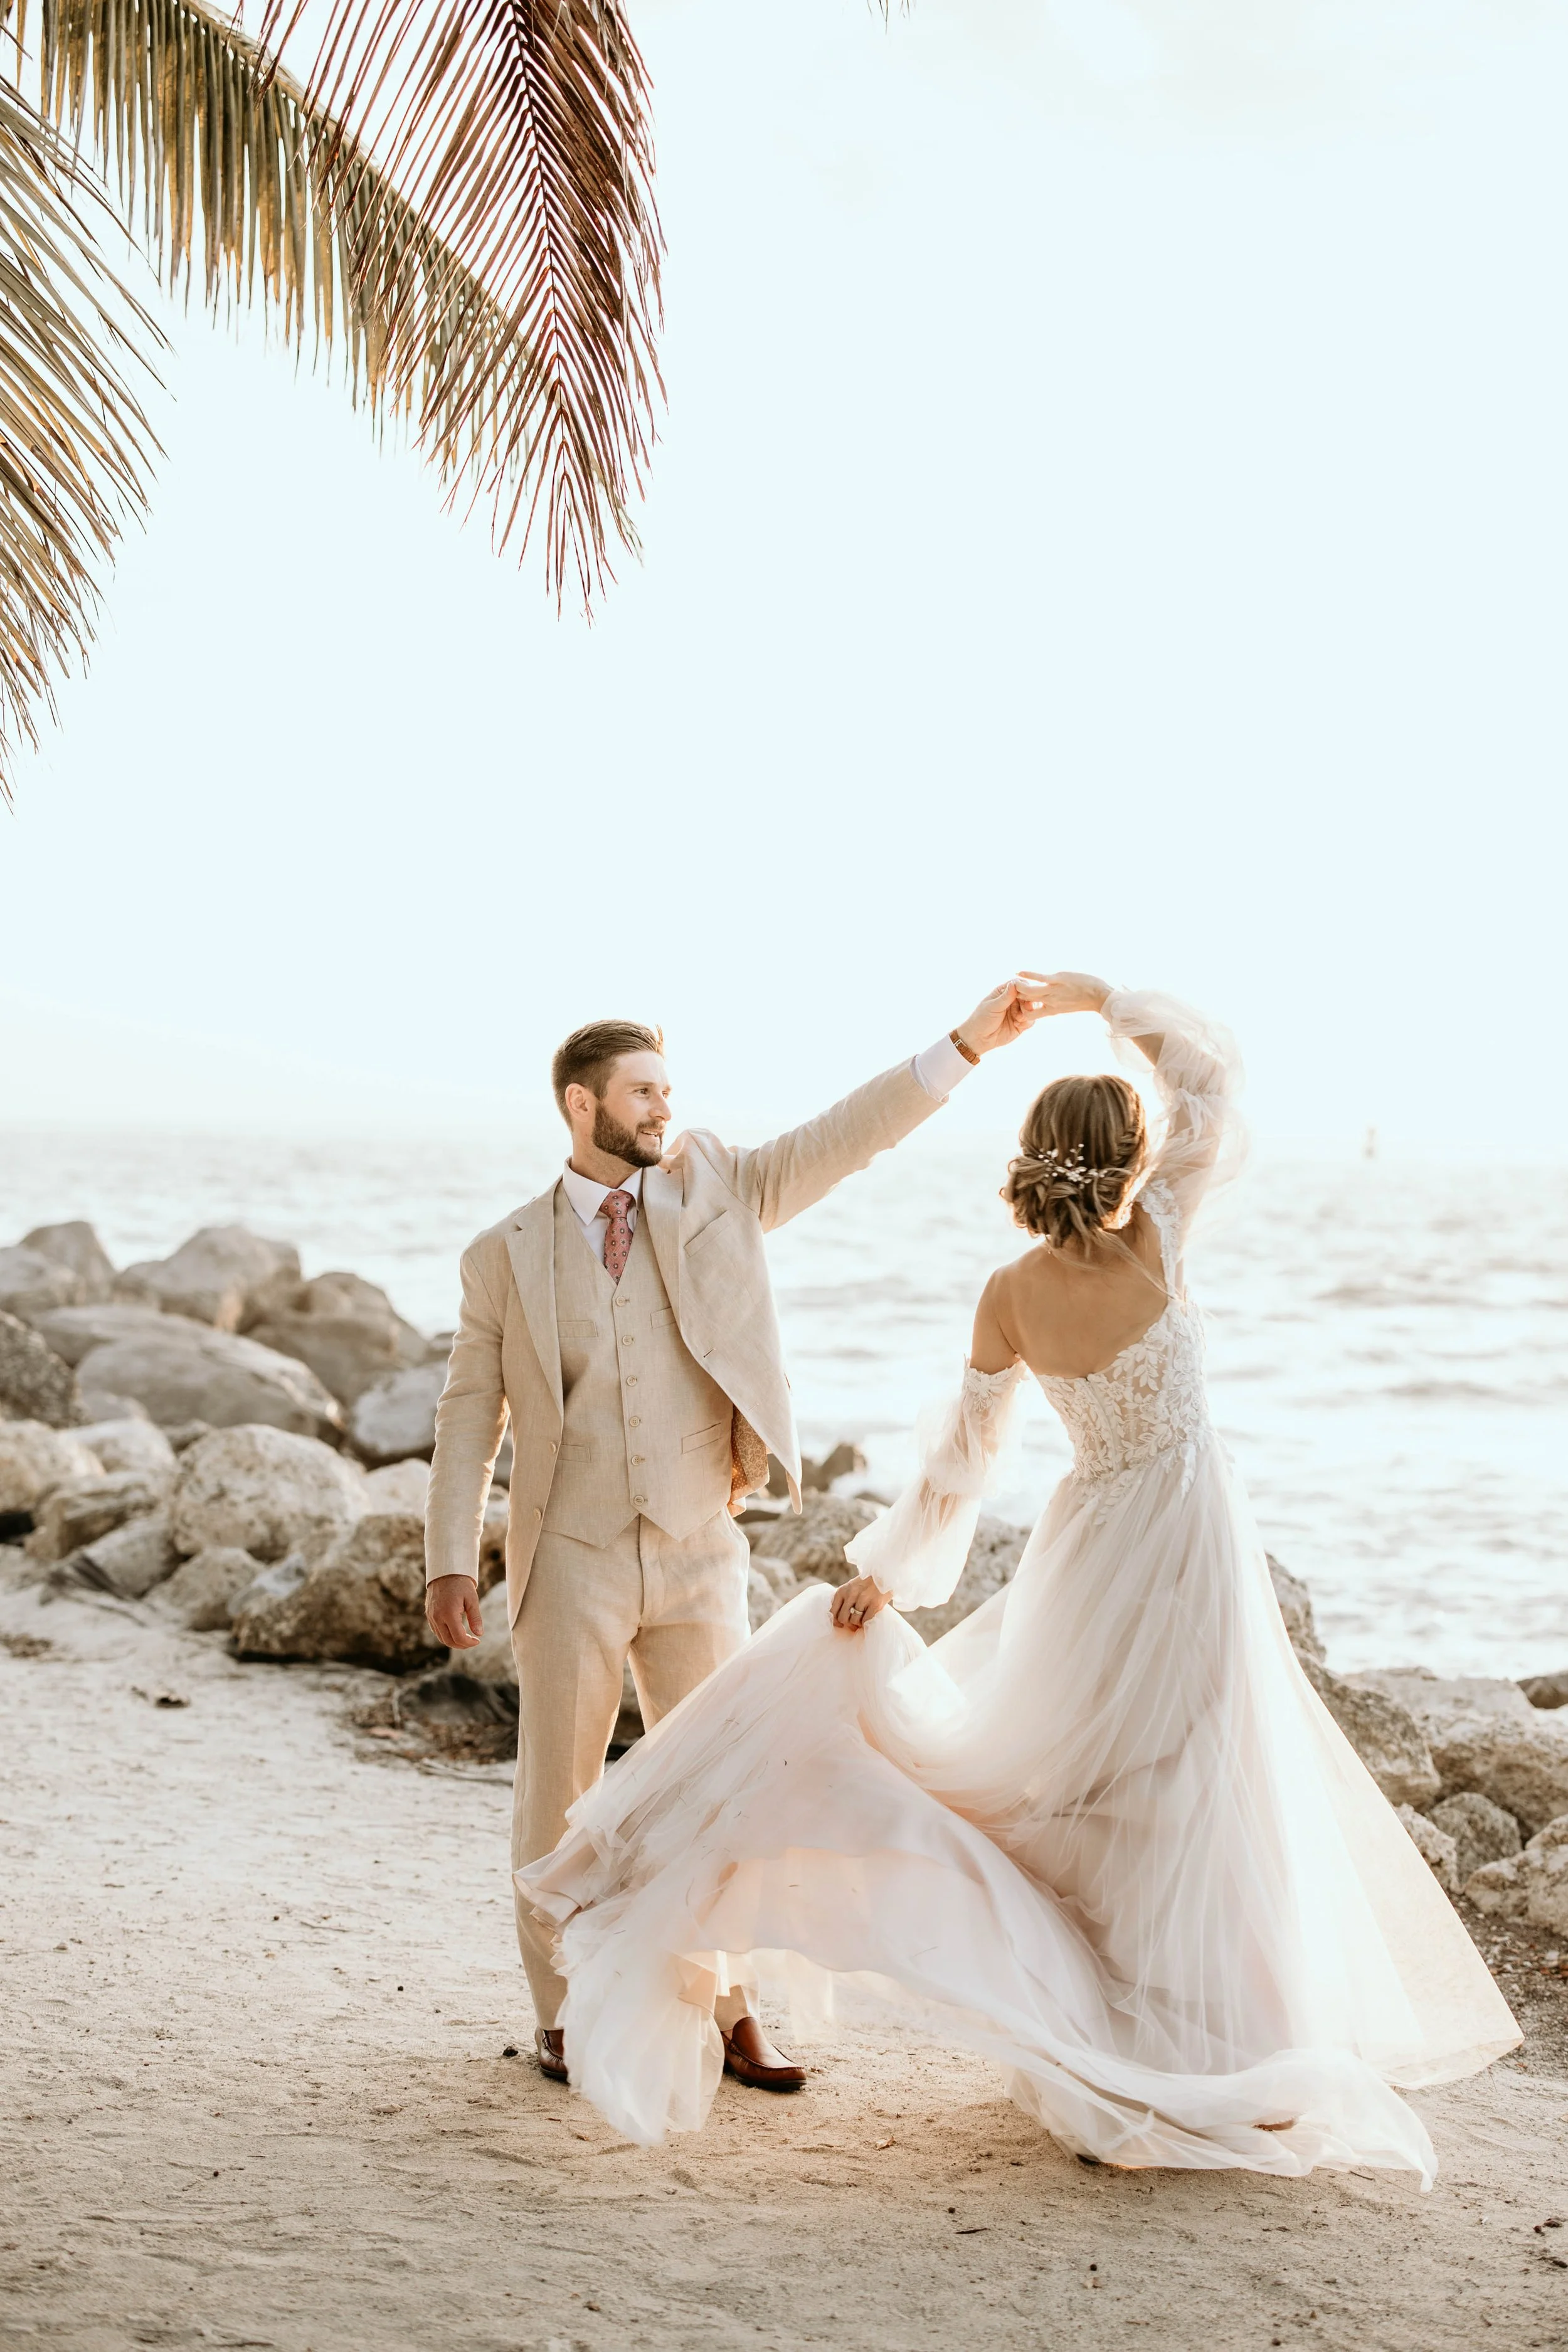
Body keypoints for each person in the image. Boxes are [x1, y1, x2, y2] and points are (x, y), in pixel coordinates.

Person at [521, 974, 1519, 2179]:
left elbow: (961, 1465)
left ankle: (1151, 2040)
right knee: (1206, 1781)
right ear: (1130, 1157)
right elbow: (1210, 1078)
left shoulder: (1009, 1295)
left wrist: (884, 1577)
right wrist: (1104, 997)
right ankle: (1218, 2052)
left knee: (1107, 1795)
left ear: (1038, 1159)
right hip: (1188, 1537)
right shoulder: (1163, 1234)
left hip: (1094, 1550)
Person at [424, 978, 1049, 2087]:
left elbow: (846, 1137)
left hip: (700, 1545)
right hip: (565, 1553)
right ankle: (562, 2014)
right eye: (641, 1091)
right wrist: (446, 1558)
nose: (663, 1107)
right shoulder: (502, 1255)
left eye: (669, 1088)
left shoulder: (718, 1184)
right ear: (582, 1105)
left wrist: (966, 1045)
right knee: (556, 1790)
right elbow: (471, 1415)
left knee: (727, 1784)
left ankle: (730, 2009)